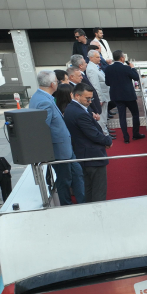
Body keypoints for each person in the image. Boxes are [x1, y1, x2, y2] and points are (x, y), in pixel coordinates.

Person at [29, 69, 84, 206]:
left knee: (76, 172)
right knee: (65, 179)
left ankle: (82, 201)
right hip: (59, 150)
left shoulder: (40, 97)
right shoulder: (44, 102)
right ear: (53, 84)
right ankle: (67, 205)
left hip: (64, 148)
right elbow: (42, 129)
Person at [63, 83, 113, 203]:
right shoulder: (79, 112)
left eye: (91, 98)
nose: (90, 101)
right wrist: (108, 140)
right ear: (77, 96)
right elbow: (92, 134)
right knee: (98, 191)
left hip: (84, 155)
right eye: (87, 98)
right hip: (92, 157)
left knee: (89, 189)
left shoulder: (72, 108)